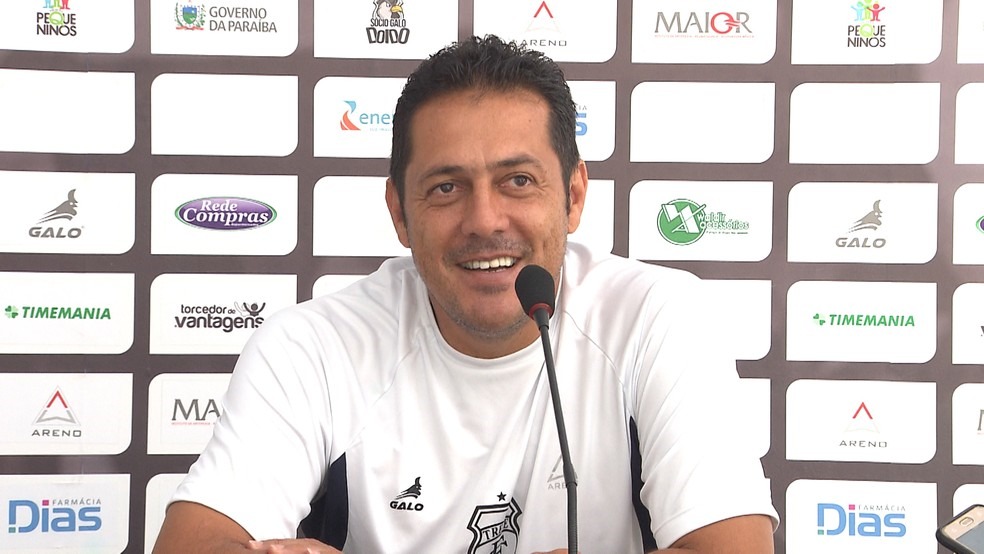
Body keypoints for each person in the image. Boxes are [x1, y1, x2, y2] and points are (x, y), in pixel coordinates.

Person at [154, 34, 778, 553]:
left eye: (518, 180)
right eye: (446, 188)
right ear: (399, 212)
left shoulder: (656, 318)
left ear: (573, 196)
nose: (484, 220)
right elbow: (193, 543)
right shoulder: (313, 345)